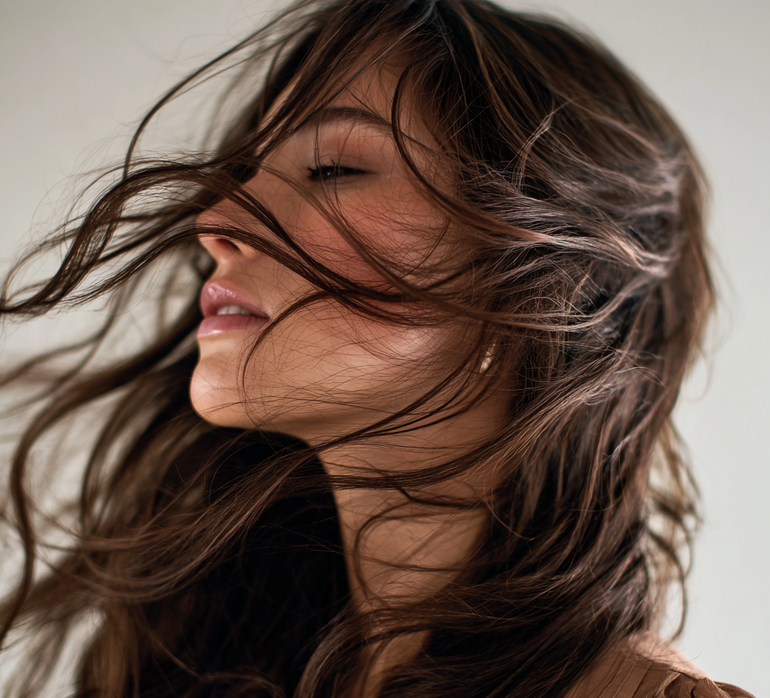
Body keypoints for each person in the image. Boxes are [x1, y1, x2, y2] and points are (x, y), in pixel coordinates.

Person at [0, 1, 755, 697]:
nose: (215, 220)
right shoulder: (192, 659)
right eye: (245, 172)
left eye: (332, 168)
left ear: (548, 286)